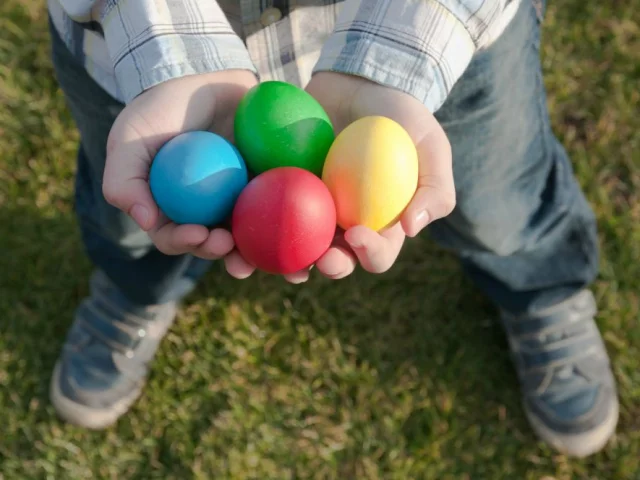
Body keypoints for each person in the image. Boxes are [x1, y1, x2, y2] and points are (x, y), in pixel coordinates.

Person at [47, 0, 618, 457]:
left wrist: (397, 50)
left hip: (436, 37)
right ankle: (137, 288)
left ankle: (541, 294)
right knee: (140, 212)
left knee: (501, 201)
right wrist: (173, 48)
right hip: (139, 55)